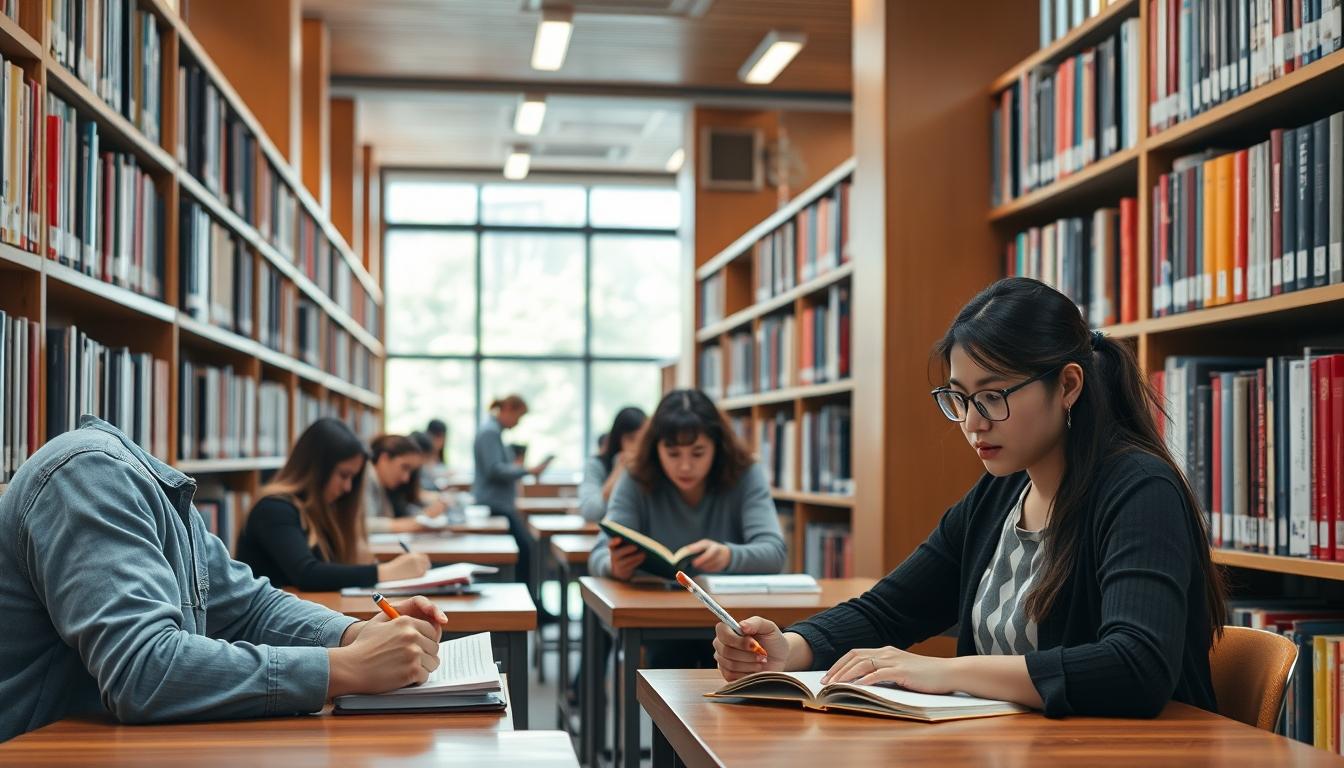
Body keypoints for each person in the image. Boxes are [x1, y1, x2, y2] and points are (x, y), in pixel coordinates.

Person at [712, 277, 1227, 718]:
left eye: (993, 396)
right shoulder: (1001, 492)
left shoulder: (1139, 490)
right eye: (960, 398)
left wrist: (947, 672)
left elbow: (1135, 667)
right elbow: (891, 608)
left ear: (1068, 386)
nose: (973, 423)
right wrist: (789, 649)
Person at [0, 416, 450, 741]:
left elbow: (251, 606)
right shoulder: (90, 478)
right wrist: (344, 667)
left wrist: (354, 634)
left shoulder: (162, 494)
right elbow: (144, 671)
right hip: (40, 749)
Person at [590, 389, 786, 668]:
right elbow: (597, 555)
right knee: (667, 666)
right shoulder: (635, 476)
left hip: (734, 616)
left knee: (739, 666)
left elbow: (775, 553)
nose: (685, 466)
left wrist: (728, 556)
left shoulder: (744, 472)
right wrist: (614, 566)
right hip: (661, 619)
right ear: (655, 448)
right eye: (672, 453)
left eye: (698, 453)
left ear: (717, 446)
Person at [236, 419, 430, 591]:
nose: (347, 487)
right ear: (316, 469)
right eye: (343, 475)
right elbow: (306, 574)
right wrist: (386, 571)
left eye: (352, 478)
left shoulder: (321, 509)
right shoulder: (273, 508)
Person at [472, 395, 552, 599]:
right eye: (518, 416)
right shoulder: (489, 432)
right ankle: (527, 602)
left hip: (499, 504)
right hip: (494, 505)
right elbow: (494, 469)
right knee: (526, 550)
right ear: (508, 409)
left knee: (528, 549)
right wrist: (527, 470)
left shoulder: (494, 432)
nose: (518, 422)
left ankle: (531, 601)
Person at [362, 433, 441, 534]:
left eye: (410, 471)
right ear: (384, 459)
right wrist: (410, 524)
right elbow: (362, 524)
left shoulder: (382, 484)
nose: (406, 478)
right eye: (404, 467)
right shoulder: (365, 478)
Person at [578, 407, 647, 522]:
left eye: (643, 439)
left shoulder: (653, 467)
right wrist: (619, 470)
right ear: (617, 439)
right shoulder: (596, 465)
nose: (638, 446)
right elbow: (591, 513)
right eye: (631, 439)